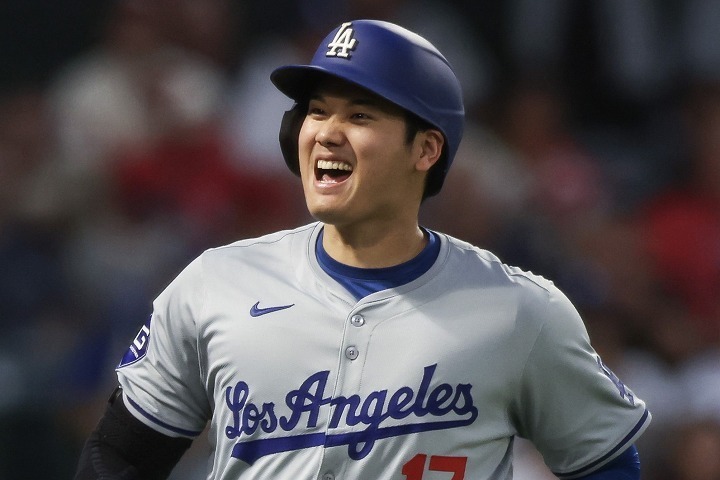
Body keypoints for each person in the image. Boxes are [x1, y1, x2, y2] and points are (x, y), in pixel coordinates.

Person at [74, 19, 651, 479]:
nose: (325, 131)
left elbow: (606, 464)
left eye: (359, 115)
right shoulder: (214, 285)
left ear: (425, 149)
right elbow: (117, 459)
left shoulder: (520, 311)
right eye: (317, 111)